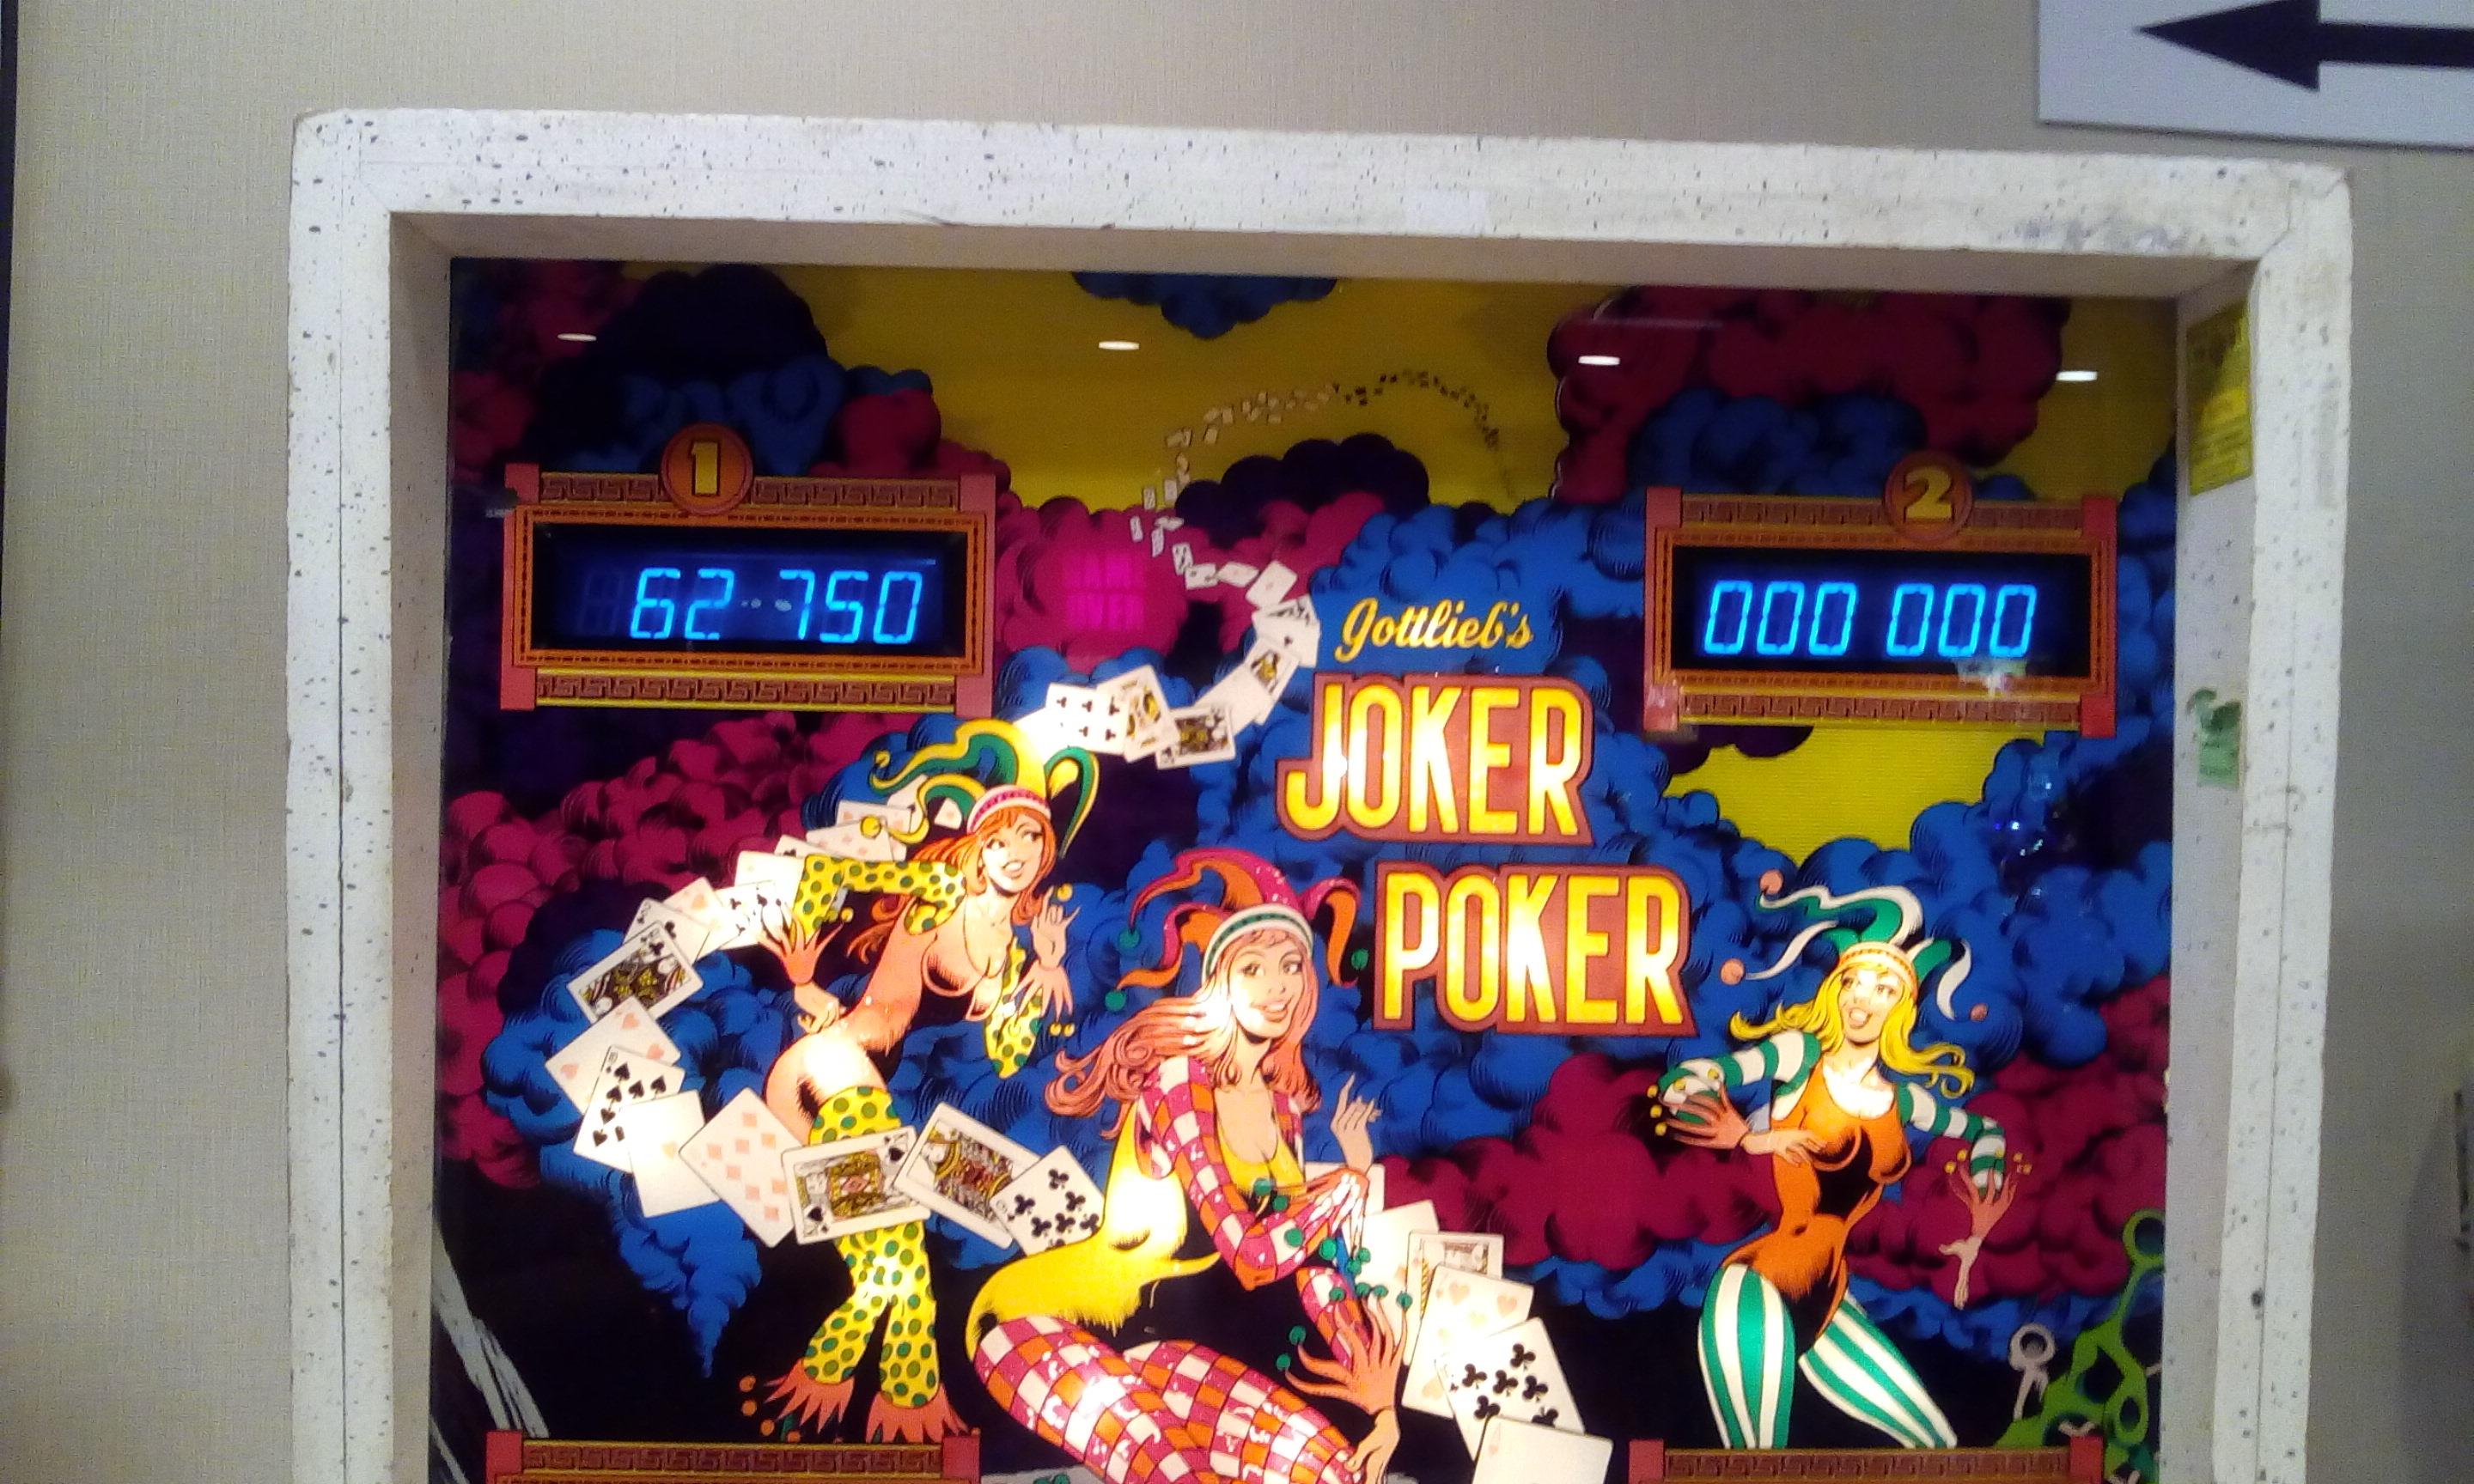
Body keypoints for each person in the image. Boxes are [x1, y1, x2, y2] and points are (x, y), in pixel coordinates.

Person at [966, 848, 1403, 1484]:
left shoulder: (1283, 1109)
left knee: (1339, 1473)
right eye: (1253, 968)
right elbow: (1252, 1255)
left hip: (1156, 1347)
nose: (1278, 986)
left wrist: (1382, 1410)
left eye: (1291, 965)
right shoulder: (1180, 1083)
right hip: (1038, 1322)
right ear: (1219, 979)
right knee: (1175, 1474)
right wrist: (1343, 1188)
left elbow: (1310, 1266)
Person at [756, 720, 1095, 1443]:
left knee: (892, 1268)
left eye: (1030, 838)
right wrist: (805, 978)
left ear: (1046, 852)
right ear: (977, 845)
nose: (1015, 853)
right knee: (901, 1259)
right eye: (1000, 839)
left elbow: (1005, 1053)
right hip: (831, 1066)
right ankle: (907, 1402)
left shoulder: (1013, 949)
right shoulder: (940, 886)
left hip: (875, 1100)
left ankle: (832, 1383)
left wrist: (1042, 973)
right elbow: (834, 869)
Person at [1654, 875, 2022, 1451]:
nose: (1861, 999)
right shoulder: (1799, 1058)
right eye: (1852, 982)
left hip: (1829, 1291)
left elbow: (1984, 1132)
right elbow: (1686, 1079)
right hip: (1756, 1288)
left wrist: (1978, 1223)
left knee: (1937, 1447)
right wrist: (1748, 1138)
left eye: (1884, 989)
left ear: (1902, 1008)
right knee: (1754, 1466)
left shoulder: (1903, 1102)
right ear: (1834, 989)